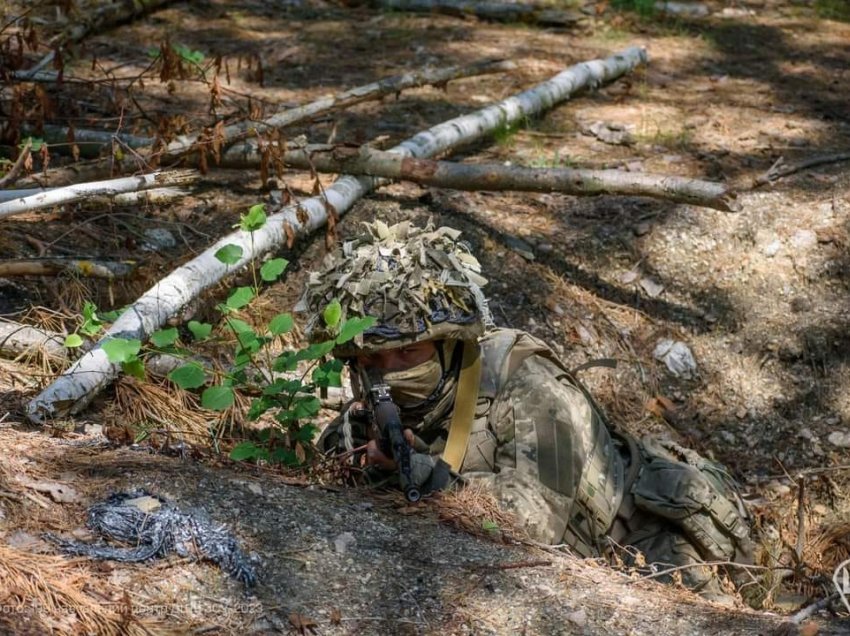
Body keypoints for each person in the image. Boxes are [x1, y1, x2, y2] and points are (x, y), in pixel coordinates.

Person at [298, 220, 756, 602]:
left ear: (449, 344)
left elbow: (534, 523)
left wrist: (426, 475)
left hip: (642, 551)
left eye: (408, 354)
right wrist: (355, 451)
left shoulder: (525, 381)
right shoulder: (378, 397)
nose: (389, 373)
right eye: (372, 362)